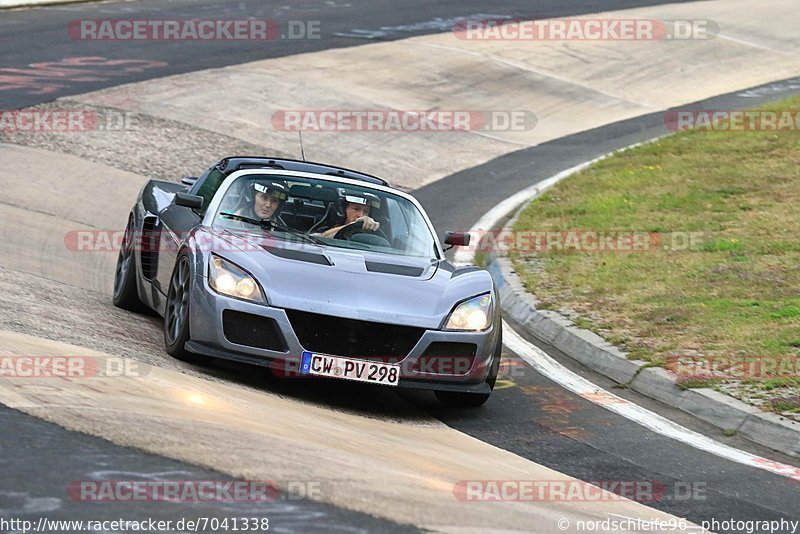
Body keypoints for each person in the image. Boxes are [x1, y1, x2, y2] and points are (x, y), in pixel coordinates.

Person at [221, 178, 288, 229]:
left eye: (274, 201)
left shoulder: (281, 228)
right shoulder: (232, 220)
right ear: (253, 198)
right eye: (264, 197)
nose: (268, 205)